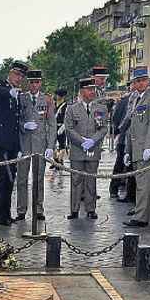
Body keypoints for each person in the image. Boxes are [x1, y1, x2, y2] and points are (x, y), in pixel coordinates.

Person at [123, 66, 150, 228]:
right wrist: (128, 150)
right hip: (137, 149)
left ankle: (141, 217)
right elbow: (132, 127)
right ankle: (140, 213)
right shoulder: (136, 98)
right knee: (141, 184)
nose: (139, 84)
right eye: (136, 81)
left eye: (142, 81)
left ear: (148, 81)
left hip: (147, 150)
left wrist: (149, 146)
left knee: (144, 185)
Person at [0, 60, 28, 225]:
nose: (19, 78)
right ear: (10, 73)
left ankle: (6, 213)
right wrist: (10, 92)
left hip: (12, 143)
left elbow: (16, 120)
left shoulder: (17, 94)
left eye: (21, 76)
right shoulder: (2, 86)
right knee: (2, 179)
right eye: (17, 75)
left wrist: (19, 146)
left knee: (10, 179)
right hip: (1, 142)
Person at [65, 76, 107, 220]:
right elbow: (69, 129)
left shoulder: (101, 108)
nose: (92, 92)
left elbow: (103, 129)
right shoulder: (72, 109)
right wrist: (82, 140)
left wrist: (93, 141)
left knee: (91, 180)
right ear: (82, 91)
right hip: (77, 149)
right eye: (89, 89)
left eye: (93, 89)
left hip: (93, 149)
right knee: (76, 180)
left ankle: (91, 209)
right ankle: (74, 209)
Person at [16, 69, 55, 221]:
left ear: (40, 83)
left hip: (40, 144)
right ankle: (21, 210)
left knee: (38, 179)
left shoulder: (47, 100)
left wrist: (51, 146)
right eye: (31, 82)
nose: (34, 85)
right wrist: (24, 125)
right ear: (28, 83)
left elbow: (52, 124)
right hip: (24, 143)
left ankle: (38, 209)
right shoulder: (21, 98)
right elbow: (16, 119)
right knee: (21, 179)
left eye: (36, 82)